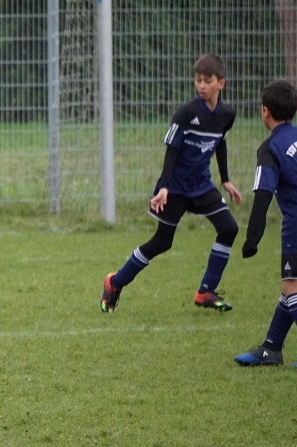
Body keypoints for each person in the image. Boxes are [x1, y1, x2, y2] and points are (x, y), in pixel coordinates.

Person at [100, 54, 242, 313]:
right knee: (162, 242)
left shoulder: (227, 114)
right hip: (175, 187)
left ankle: (205, 291)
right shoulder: (186, 113)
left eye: (207, 80)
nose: (201, 85)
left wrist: (226, 179)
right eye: (197, 80)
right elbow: (172, 149)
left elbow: (220, 142)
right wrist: (164, 187)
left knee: (229, 228)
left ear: (221, 83)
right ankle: (115, 282)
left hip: (202, 185)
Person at [234, 80, 297, 369]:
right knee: (292, 283)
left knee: (293, 287)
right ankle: (271, 347)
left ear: (265, 111)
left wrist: (253, 237)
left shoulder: (271, 147)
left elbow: (263, 193)